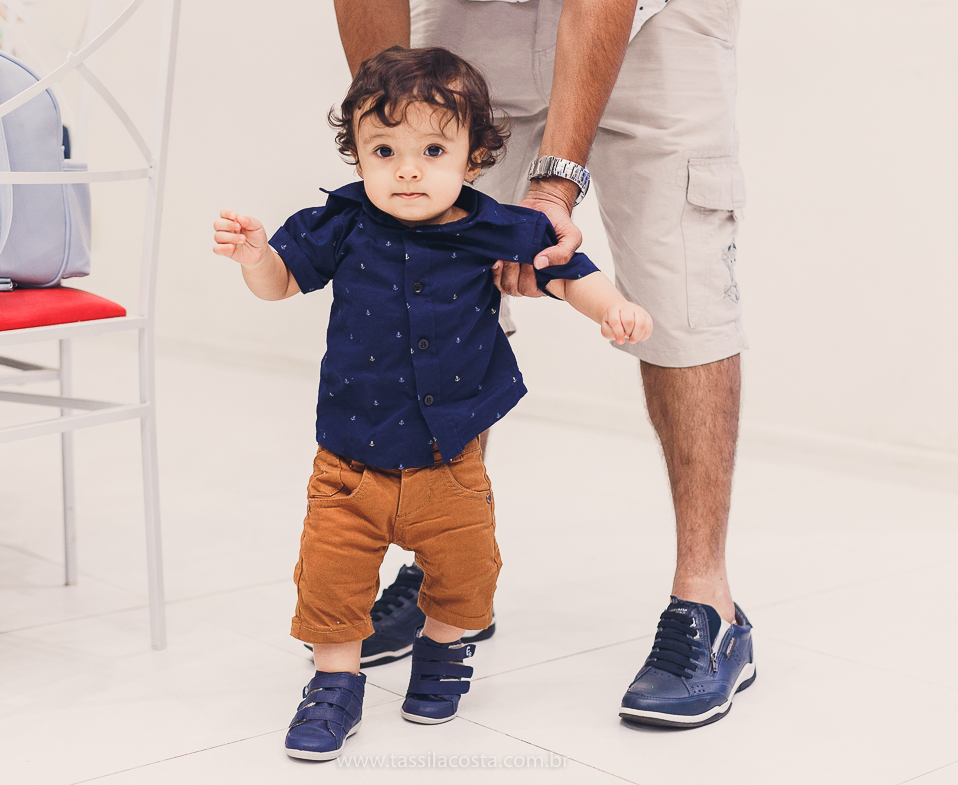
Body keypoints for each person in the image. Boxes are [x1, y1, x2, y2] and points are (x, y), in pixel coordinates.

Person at [331, 0, 755, 729]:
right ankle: (449, 580)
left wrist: (555, 186)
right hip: (470, 3)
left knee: (681, 290)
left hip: (656, 14)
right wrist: (389, 125)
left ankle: (708, 602)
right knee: (429, 274)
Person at [212, 46, 651, 761]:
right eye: (384, 150)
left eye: (433, 150)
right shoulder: (342, 222)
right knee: (330, 576)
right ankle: (334, 685)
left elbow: (564, 268)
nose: (407, 170)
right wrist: (256, 257)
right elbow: (280, 283)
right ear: (357, 155)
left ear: (474, 158)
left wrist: (612, 308)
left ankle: (443, 653)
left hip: (451, 455)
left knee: (466, 570)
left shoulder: (492, 226)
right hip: (350, 456)